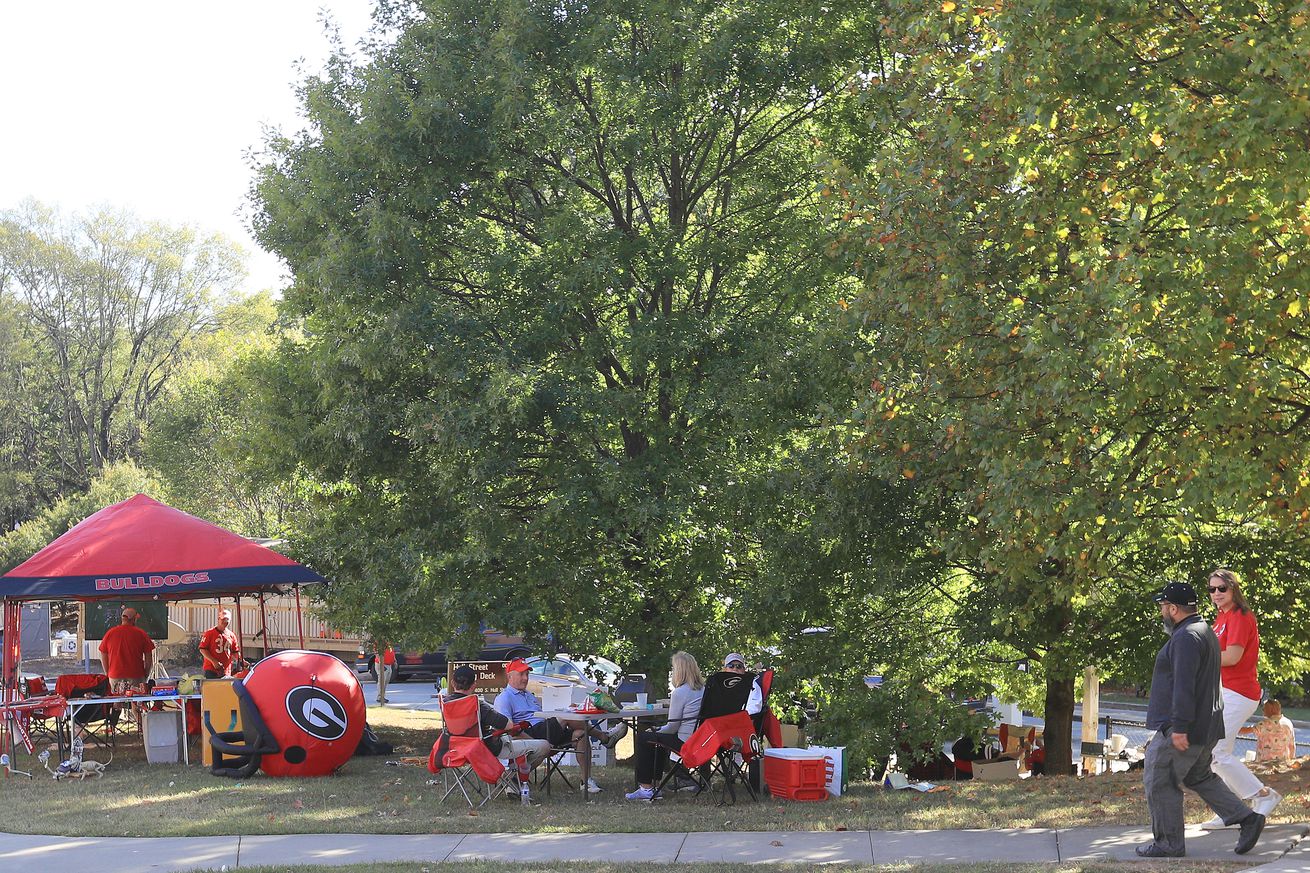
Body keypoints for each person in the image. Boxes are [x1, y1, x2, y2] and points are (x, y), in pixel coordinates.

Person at [1138, 581, 1265, 858]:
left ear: (1173, 608)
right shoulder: (1204, 629)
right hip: (1207, 725)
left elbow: (1184, 686)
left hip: (1184, 727)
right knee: (1200, 777)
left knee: (1160, 779)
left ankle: (1168, 844)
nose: (1162, 612)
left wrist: (1179, 728)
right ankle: (1248, 819)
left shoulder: (1185, 638)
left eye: (1163, 607)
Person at [1200, 568, 1282, 827]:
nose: (1216, 593)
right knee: (1214, 752)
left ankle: (1263, 795)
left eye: (1221, 588)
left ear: (1233, 588)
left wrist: (1197, 658)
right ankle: (1231, 811)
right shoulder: (1220, 618)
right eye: (1212, 589)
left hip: (1239, 692)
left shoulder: (1240, 616)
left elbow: (1233, 657)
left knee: (1215, 752)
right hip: (1225, 692)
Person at [492, 658, 627, 796]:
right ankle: (604, 737)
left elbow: (542, 715)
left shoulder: (527, 694)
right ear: (509, 676)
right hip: (530, 735)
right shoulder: (504, 698)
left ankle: (586, 781)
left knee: (580, 733)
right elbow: (508, 730)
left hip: (545, 730)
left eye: (527, 674)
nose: (525, 678)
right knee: (566, 716)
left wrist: (567, 709)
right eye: (521, 674)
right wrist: (536, 741)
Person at [441, 665, 552, 805]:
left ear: (452, 683)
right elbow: (508, 725)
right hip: (486, 749)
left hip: (456, 749)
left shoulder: (445, 703)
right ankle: (512, 779)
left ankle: (511, 779)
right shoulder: (478, 705)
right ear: (474, 685)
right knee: (544, 745)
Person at [626, 651, 705, 801]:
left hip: (685, 741)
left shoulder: (680, 692)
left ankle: (646, 787)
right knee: (658, 739)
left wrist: (656, 729)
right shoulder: (703, 690)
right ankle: (654, 785)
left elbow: (672, 727)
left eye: (674, 669)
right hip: (699, 739)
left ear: (680, 671)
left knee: (644, 737)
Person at [99, 606, 155, 694]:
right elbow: (149, 656)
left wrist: (108, 672)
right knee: (136, 702)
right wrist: (146, 674)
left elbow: (103, 653)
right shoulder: (141, 634)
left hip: (115, 674)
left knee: (116, 701)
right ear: (134, 619)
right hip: (136, 674)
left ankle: (116, 708)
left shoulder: (110, 633)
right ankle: (134, 708)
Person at [1241, 699, 1297, 764]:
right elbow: (1292, 746)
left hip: (1264, 765)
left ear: (1271, 709)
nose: (1263, 710)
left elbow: (1245, 731)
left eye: (1264, 708)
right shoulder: (1288, 723)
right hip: (1282, 765)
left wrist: (1231, 728)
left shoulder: (1264, 724)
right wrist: (1291, 762)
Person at [199, 608, 240, 679]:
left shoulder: (232, 635)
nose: (225, 621)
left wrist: (241, 660)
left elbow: (235, 652)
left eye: (227, 620)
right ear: (218, 619)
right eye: (223, 619)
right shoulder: (210, 633)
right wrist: (214, 662)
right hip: (211, 669)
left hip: (226, 671)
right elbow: (203, 649)